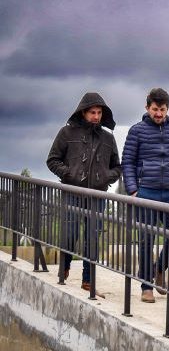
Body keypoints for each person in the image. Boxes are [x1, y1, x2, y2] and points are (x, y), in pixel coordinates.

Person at [46, 92, 122, 298]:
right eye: (92, 112)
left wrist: (107, 177)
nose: (96, 116)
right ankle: (65, 266)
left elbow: (117, 166)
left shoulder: (108, 137)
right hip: (72, 192)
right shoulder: (67, 133)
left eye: (99, 113)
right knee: (70, 233)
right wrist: (68, 173)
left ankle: (88, 280)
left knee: (92, 238)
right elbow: (52, 160)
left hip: (97, 196)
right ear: (83, 112)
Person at [122, 88, 169, 303]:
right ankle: (146, 286)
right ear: (147, 107)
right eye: (154, 109)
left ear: (167, 109)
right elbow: (128, 162)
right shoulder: (137, 131)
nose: (158, 114)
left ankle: (159, 269)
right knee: (146, 239)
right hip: (146, 192)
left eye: (162, 109)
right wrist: (133, 189)